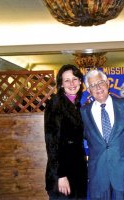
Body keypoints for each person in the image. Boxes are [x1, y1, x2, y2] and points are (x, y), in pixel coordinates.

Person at [80, 69, 124, 200]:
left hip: (123, 171)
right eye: (92, 85)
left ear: (107, 83)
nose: (98, 87)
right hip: (97, 173)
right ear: (89, 90)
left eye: (100, 82)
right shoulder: (83, 113)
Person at [44, 64, 87, 200]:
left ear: (80, 81)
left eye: (75, 79)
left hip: (77, 171)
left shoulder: (78, 104)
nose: (72, 83)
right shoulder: (55, 104)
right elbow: (52, 143)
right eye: (67, 80)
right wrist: (60, 176)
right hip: (63, 174)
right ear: (61, 84)